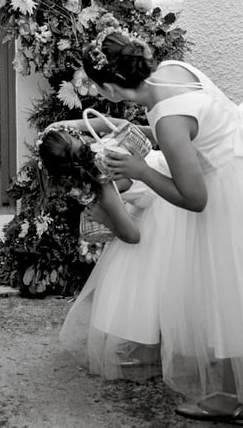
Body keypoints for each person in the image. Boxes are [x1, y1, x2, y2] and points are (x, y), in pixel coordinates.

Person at [58, 31, 243, 422]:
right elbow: (192, 129)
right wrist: (119, 130)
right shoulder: (172, 72)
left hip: (228, 193)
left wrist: (141, 170)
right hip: (236, 160)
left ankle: (231, 397)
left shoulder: (167, 118)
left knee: (229, 292)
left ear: (109, 87)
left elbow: (194, 199)